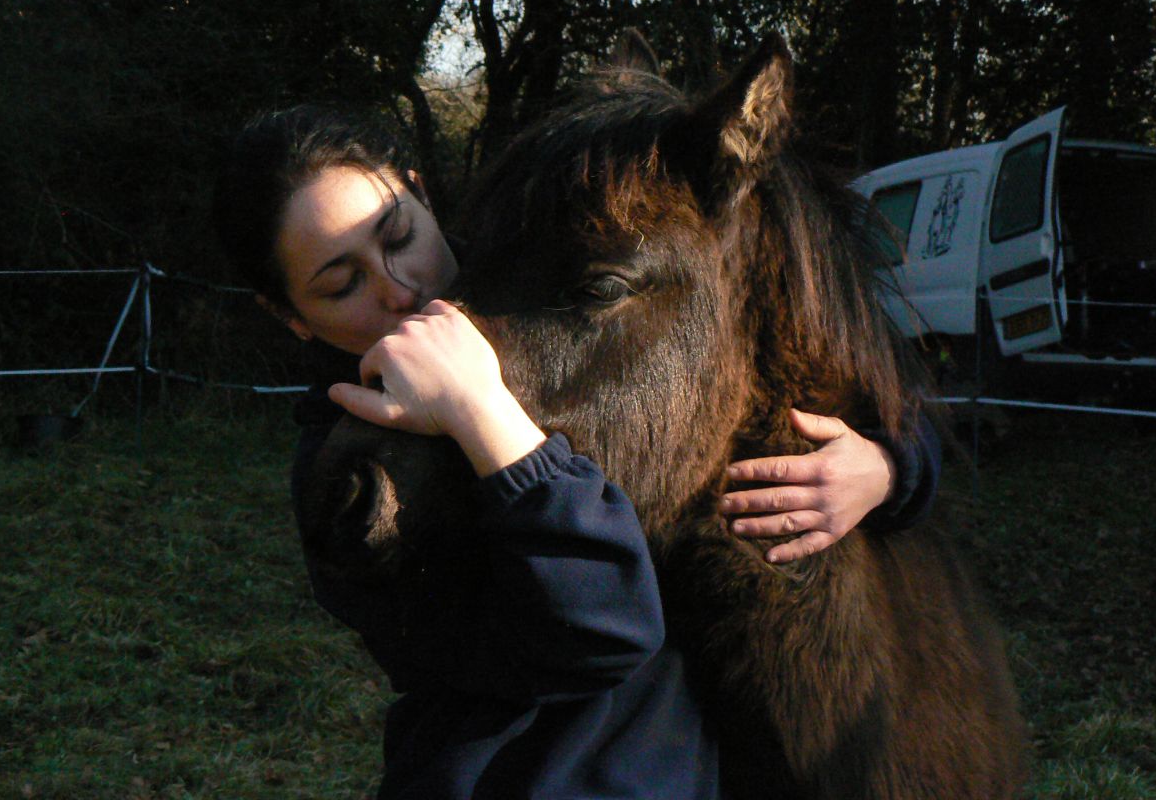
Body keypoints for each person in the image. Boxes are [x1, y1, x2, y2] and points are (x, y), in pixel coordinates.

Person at [213, 105, 940, 798]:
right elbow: (603, 629)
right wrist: (481, 414)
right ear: (291, 317)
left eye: (399, 236)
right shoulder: (351, 482)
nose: (401, 291)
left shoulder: (536, 281)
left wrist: (887, 468)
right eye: (343, 284)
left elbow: (770, 369)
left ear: (421, 194)